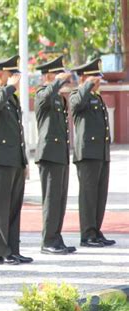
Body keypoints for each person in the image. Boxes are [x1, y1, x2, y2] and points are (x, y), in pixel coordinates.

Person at [0, 55, 33, 265]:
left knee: (12, 208)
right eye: (12, 74)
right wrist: (9, 87)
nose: (15, 79)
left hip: (12, 159)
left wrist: (23, 161)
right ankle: (1, 251)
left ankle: (13, 249)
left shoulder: (10, 97)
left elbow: (16, 132)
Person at [69, 58, 115, 248]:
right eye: (95, 78)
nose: (98, 82)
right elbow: (76, 105)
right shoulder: (77, 94)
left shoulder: (96, 97)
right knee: (88, 196)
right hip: (87, 154)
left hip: (101, 153)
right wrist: (86, 85)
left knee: (100, 195)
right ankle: (87, 234)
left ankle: (96, 230)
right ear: (85, 79)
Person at [34, 56, 76, 255]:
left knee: (60, 199)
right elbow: (46, 95)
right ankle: (48, 240)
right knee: (51, 199)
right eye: (58, 74)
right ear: (49, 75)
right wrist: (58, 81)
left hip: (60, 154)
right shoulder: (42, 93)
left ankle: (56, 238)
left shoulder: (59, 97)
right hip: (49, 154)